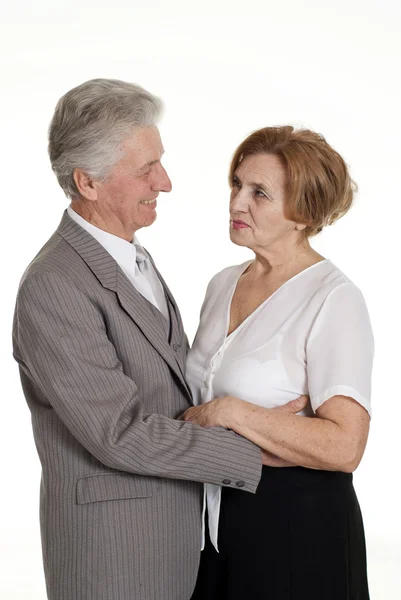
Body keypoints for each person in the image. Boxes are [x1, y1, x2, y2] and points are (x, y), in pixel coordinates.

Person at [11, 78, 276, 600]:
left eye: (160, 161)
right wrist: (261, 447)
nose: (166, 182)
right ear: (87, 183)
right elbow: (119, 433)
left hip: (180, 541)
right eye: (145, 170)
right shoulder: (54, 285)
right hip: (116, 554)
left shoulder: (131, 256)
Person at [184, 126, 374, 599]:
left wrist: (230, 412)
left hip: (298, 534)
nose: (236, 203)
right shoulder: (222, 283)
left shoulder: (334, 299)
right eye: (236, 184)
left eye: (259, 193)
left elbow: (345, 445)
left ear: (303, 212)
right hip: (212, 531)